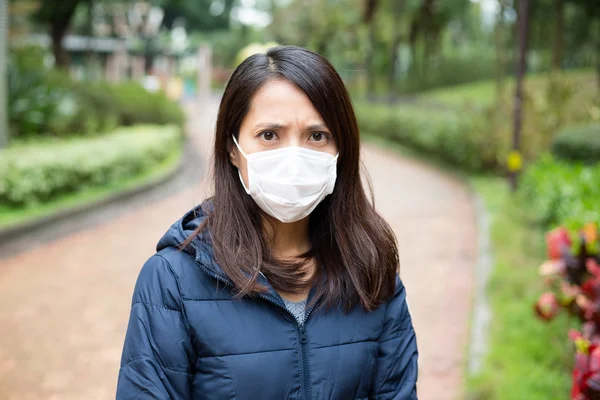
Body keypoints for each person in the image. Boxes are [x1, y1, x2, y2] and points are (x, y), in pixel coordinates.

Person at [116, 45, 418, 400]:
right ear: (232, 148)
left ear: (341, 150)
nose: (293, 157)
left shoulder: (371, 271)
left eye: (316, 136)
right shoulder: (172, 282)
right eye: (269, 135)